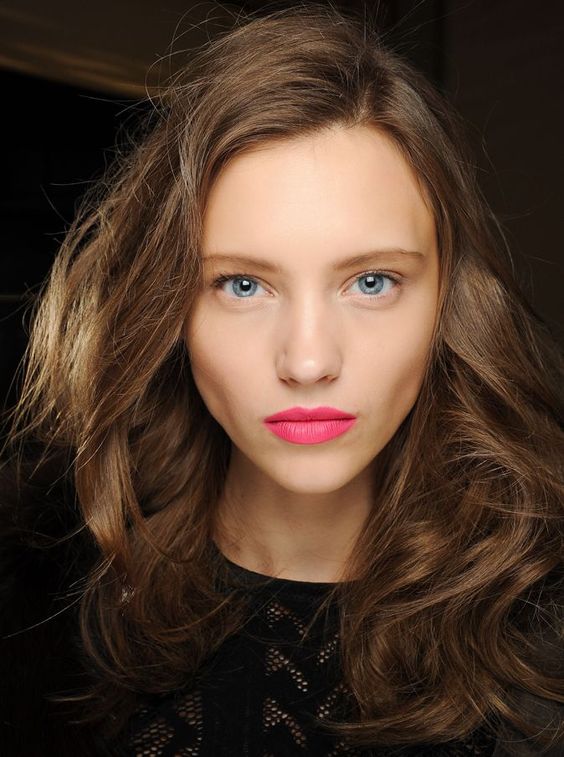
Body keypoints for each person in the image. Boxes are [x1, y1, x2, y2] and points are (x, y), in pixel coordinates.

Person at [1, 3, 563, 756]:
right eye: (243, 285)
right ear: (171, 307)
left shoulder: (542, 624)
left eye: (371, 282)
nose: (306, 362)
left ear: (449, 304)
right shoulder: (33, 587)